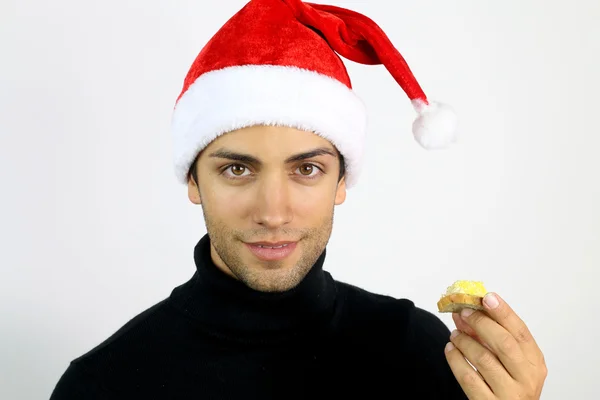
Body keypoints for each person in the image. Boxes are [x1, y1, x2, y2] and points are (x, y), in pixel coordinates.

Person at [50, 0, 547, 398]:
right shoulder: (103, 385)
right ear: (193, 181)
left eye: (306, 169)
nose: (272, 212)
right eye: (237, 169)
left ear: (341, 182)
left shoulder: (424, 353)